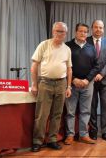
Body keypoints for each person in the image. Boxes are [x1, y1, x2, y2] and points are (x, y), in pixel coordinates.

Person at [30, 22, 72, 152]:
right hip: (45, 83)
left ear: (66, 34)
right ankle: (37, 141)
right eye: (58, 31)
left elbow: (69, 69)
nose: (60, 34)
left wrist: (69, 86)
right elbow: (34, 65)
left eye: (63, 32)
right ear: (53, 31)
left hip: (61, 84)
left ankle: (52, 140)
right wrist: (34, 84)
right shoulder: (44, 45)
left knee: (57, 114)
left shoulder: (67, 49)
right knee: (42, 114)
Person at [64, 23, 101, 145]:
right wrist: (73, 79)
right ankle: (70, 135)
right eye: (80, 31)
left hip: (87, 84)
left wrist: (87, 80)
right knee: (70, 111)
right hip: (72, 84)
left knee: (86, 111)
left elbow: (96, 66)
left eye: (85, 32)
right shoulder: (67, 46)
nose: (83, 33)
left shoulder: (91, 47)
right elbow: (64, 65)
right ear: (75, 32)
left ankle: (83, 135)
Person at [87, 20, 106, 141]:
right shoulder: (86, 41)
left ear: (103, 29)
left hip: (105, 79)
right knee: (91, 106)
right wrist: (93, 75)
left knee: (105, 105)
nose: (98, 30)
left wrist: (102, 74)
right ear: (92, 28)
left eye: (101, 27)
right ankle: (93, 130)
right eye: (96, 27)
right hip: (90, 79)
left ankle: (105, 131)